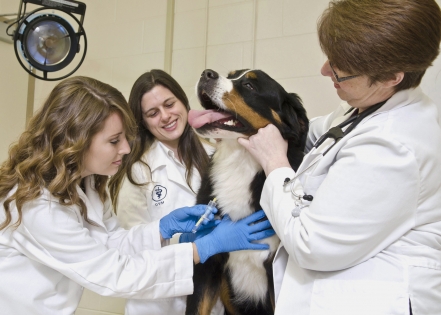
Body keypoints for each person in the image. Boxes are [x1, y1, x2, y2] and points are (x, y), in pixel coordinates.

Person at [0, 76, 275, 315]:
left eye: (125, 138)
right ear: (76, 141)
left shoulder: (88, 186)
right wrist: (201, 249)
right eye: (113, 141)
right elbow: (114, 273)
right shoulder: (36, 207)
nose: (126, 149)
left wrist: (162, 228)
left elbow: (112, 243)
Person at [238, 0, 441, 314]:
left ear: (391, 77)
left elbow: (310, 245)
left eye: (340, 70)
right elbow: (317, 134)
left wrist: (275, 164)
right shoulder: (365, 108)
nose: (324, 70)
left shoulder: (394, 147)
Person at [108, 69, 224, 314]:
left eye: (170, 104)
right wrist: (180, 243)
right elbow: (127, 250)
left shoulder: (216, 153)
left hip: (211, 295)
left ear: (182, 100)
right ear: (143, 122)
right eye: (153, 113)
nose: (165, 116)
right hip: (158, 303)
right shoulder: (137, 172)